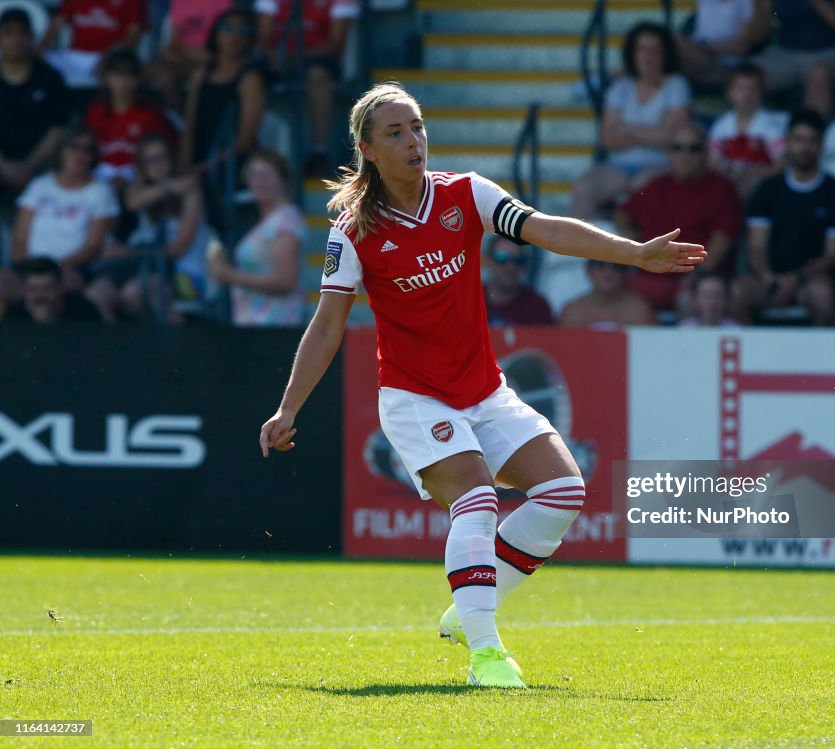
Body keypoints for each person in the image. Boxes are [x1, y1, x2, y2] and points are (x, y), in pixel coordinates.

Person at [257, 83, 705, 689]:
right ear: (367, 148)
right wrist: (289, 407)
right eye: (395, 133)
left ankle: (466, 612)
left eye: (416, 127)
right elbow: (329, 322)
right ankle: (487, 655)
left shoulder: (466, 193)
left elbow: (544, 228)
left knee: (563, 493)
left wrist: (633, 253)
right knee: (476, 500)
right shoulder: (352, 230)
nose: (412, 140)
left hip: (485, 391)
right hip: (415, 397)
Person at [614, 121, 741, 316]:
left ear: (705, 153)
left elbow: (720, 245)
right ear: (668, 153)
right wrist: (634, 244)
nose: (685, 156)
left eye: (693, 149)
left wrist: (696, 279)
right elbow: (622, 214)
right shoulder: (656, 186)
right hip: (651, 276)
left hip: (697, 279)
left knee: (693, 298)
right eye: (677, 148)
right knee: (615, 293)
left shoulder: (722, 190)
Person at [734, 109, 835, 326]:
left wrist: (795, 278)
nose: (805, 147)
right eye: (799, 140)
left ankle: (824, 358)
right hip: (769, 278)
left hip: (810, 281)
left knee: (824, 297)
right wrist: (768, 276)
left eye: (812, 141)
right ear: (787, 142)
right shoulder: (768, 190)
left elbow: (833, 254)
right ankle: (751, 357)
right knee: (737, 293)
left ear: (822, 144)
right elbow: (756, 246)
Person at [571, 22, 691, 220]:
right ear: (633, 53)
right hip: (618, 166)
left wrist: (627, 129)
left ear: (665, 53)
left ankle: (643, 250)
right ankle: (587, 248)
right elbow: (608, 138)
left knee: (643, 190)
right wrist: (654, 132)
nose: (648, 56)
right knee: (584, 188)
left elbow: (671, 138)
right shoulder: (620, 87)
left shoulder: (676, 84)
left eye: (655, 49)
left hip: (660, 165)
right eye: (642, 49)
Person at [87, 133, 208, 321]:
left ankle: (176, 346)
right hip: (148, 266)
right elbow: (132, 202)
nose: (157, 164)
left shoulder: (191, 192)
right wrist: (167, 187)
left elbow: (178, 249)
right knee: (96, 294)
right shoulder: (138, 189)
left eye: (161, 157)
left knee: (134, 292)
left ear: (172, 158)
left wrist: (130, 253)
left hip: (186, 275)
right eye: (149, 160)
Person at [255, 0, 360, 178]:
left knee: (317, 75)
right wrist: (277, 58)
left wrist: (296, 57)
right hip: (279, 58)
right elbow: (263, 37)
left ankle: (320, 153)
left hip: (319, 58)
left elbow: (335, 44)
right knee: (251, 77)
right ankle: (251, 153)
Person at [10, 127, 120, 295]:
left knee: (55, 288)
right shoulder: (39, 185)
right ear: (61, 150)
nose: (80, 153)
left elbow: (93, 246)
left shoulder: (101, 191)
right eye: (73, 146)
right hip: (28, 268)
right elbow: (19, 238)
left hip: (72, 269)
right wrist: (28, 269)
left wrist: (52, 270)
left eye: (87, 149)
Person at [207, 148, 304, 326]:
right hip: (254, 324)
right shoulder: (266, 221)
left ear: (283, 179)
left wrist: (229, 275)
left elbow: (285, 281)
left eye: (267, 175)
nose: (260, 182)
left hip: (276, 327)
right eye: (254, 176)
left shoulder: (286, 219)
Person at [180, 9, 266, 174]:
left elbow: (244, 142)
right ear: (216, 33)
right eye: (228, 28)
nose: (234, 37)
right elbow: (189, 126)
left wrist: (207, 167)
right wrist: (184, 165)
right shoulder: (200, 74)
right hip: (197, 160)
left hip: (231, 167)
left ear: (250, 39)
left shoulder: (250, 79)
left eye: (242, 31)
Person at [0, 8, 70, 205]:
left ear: (31, 37)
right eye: (8, 33)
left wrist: (29, 166)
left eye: (22, 33)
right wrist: (4, 166)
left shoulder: (50, 78)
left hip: (41, 164)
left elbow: (58, 128)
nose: (16, 40)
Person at [752, 0, 835, 119]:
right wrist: (761, 7)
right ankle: (747, 134)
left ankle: (808, 133)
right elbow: (757, 35)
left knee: (819, 74)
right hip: (786, 52)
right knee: (750, 76)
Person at [86, 49, 177, 186]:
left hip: (139, 176)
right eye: (117, 75)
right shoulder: (96, 112)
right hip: (100, 174)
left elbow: (167, 150)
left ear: (138, 80)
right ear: (106, 78)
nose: (123, 82)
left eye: (129, 76)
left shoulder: (150, 114)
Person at [708, 63, 787, 201]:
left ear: (761, 93)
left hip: (761, 188)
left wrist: (754, 174)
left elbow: (781, 164)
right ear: (729, 93)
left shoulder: (770, 126)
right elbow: (712, 164)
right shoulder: (720, 126)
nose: (747, 94)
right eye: (740, 88)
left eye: (753, 89)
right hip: (728, 187)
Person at [40, 0, 147, 86]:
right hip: (74, 56)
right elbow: (56, 25)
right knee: (40, 63)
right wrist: (39, 50)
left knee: (116, 70)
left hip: (107, 57)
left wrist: (110, 58)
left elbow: (133, 34)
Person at [152, 0, 233, 111]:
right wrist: (188, 52)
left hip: (213, 57)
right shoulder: (180, 2)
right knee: (161, 69)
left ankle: (183, 119)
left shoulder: (223, 3)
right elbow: (174, 41)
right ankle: (180, 117)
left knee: (164, 71)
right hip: (184, 55)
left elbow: (226, 39)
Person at [674, 0, 771, 87]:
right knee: (665, 43)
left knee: (672, 41)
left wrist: (704, 47)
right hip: (696, 53)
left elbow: (743, 45)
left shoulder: (746, 3)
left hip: (723, 64)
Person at [559, 259, 657, 327]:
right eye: (600, 265)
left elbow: (648, 350)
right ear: (588, 271)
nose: (608, 273)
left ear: (625, 273)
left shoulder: (639, 310)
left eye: (617, 266)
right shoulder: (572, 312)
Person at [3, 257, 103, 323]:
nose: (40, 295)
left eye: (47, 288)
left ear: (60, 287)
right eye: (33, 289)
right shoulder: (14, 316)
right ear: (24, 289)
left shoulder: (83, 309)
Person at [483, 237, 554, 326]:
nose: (511, 266)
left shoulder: (537, 307)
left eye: (518, 259)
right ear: (489, 261)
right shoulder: (470, 302)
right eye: (502, 258)